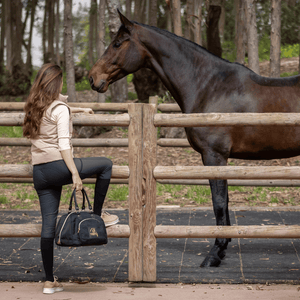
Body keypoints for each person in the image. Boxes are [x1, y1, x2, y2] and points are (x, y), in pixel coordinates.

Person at [23, 63, 119, 294]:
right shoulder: (59, 109)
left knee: (48, 226)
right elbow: (64, 144)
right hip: (59, 166)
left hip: (40, 173)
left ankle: (49, 282)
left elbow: (56, 111)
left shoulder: (34, 105)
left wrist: (78, 110)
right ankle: (97, 216)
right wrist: (75, 175)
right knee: (106, 164)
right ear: (58, 83)